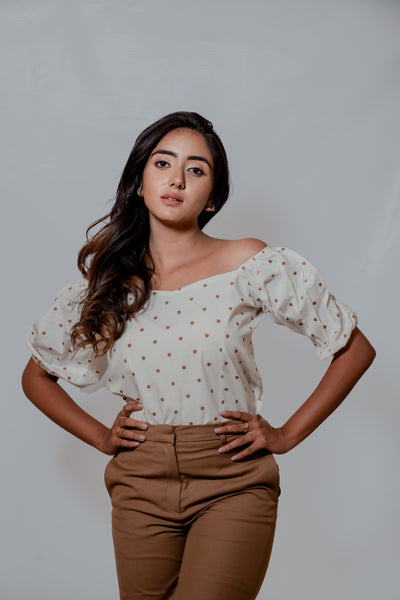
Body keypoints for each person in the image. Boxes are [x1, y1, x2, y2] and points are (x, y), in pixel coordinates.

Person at [21, 111, 376, 600]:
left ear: (212, 196)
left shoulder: (248, 263)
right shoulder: (109, 284)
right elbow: (36, 377)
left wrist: (287, 434)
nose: (177, 179)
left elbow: (354, 349)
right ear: (140, 182)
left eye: (196, 169)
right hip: (140, 480)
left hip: (232, 476)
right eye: (163, 163)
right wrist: (102, 437)